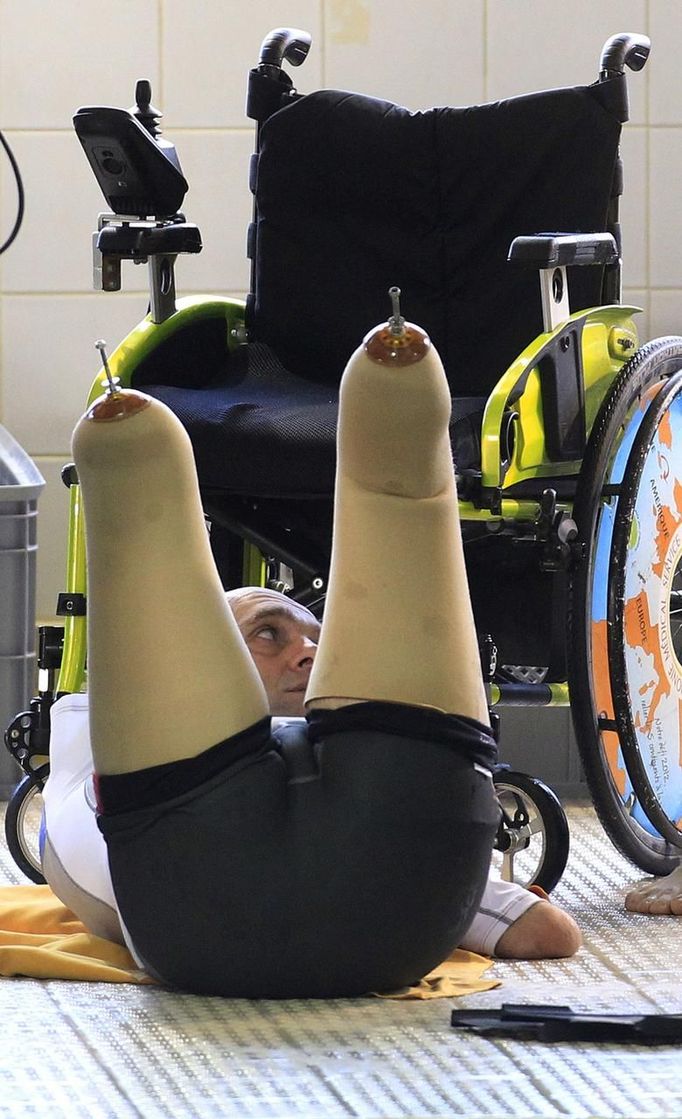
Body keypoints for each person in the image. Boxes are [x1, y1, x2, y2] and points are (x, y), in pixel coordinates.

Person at [56, 298, 575, 997]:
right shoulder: (95, 745)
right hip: (352, 904)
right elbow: (545, 931)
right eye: (267, 632)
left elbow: (551, 935)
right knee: (390, 499)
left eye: (319, 637)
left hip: (204, 909)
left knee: (390, 488)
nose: (305, 650)